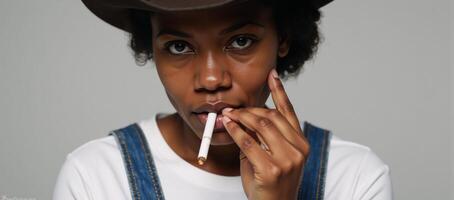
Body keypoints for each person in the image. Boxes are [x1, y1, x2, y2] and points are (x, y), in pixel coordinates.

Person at [53, 0, 393, 199]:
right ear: (152, 49)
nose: (211, 79)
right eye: (178, 47)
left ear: (283, 38)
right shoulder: (97, 176)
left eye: (241, 41)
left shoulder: (353, 177)